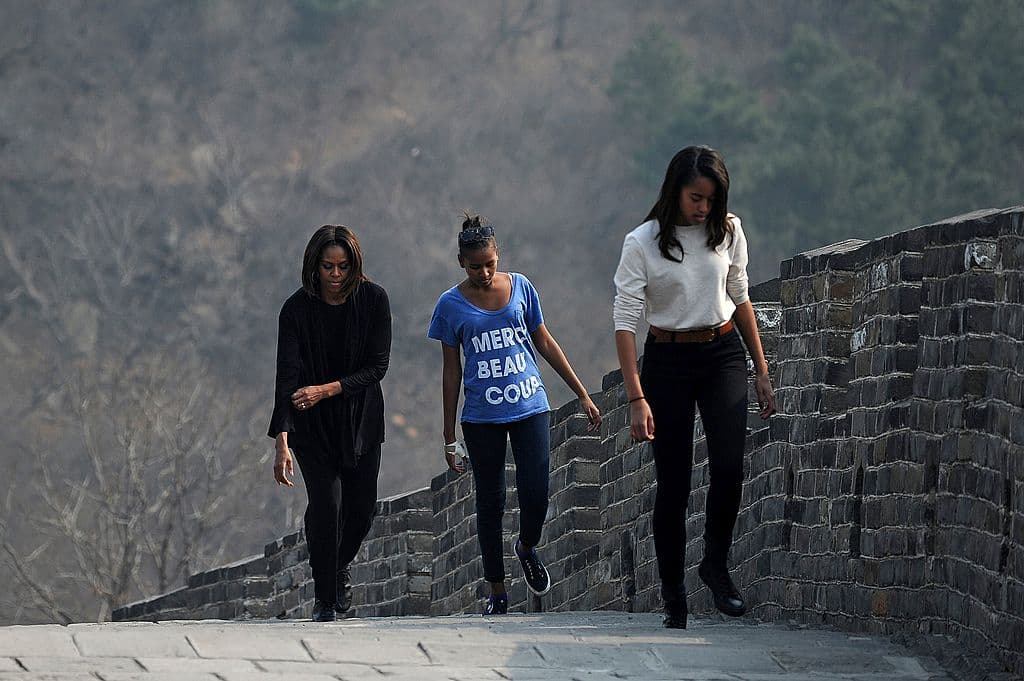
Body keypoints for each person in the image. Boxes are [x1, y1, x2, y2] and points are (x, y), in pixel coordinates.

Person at [613, 146, 777, 629]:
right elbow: (625, 324)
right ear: (675, 190)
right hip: (668, 361)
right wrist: (636, 396)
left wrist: (761, 369)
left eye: (711, 198)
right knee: (675, 482)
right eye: (695, 197)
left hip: (723, 352)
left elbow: (740, 295)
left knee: (728, 466)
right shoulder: (642, 242)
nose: (703, 207)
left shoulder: (728, 231)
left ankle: (715, 565)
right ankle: (673, 593)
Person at [429, 213, 601, 615]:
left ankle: (526, 545)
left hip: (529, 406)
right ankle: (497, 590)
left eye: (490, 263)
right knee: (490, 502)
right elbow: (451, 370)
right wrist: (447, 434)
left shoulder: (521, 287)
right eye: (475, 266)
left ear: (498, 254)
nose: (485, 272)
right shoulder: (449, 305)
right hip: (480, 416)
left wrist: (581, 393)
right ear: (460, 262)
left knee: (536, 492)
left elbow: (544, 340)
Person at [268, 225, 391, 623]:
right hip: (312, 427)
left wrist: (326, 389)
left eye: (343, 266)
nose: (335, 275)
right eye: (328, 266)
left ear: (354, 265)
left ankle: (337, 566)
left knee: (361, 510)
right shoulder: (295, 310)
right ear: (314, 266)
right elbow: (286, 377)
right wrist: (282, 438)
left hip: (361, 423)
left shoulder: (374, 300)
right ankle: (324, 600)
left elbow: (378, 367)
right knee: (326, 506)